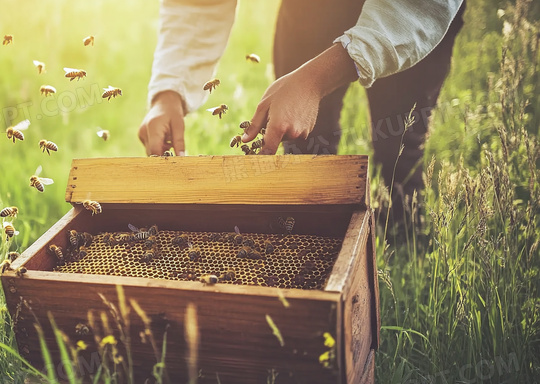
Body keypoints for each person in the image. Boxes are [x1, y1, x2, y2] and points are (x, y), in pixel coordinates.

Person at [138, 0, 466, 225]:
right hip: (309, 11)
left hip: (409, 13)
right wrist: (170, 90)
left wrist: (315, 79)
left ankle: (404, 245)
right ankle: (314, 239)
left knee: (399, 147)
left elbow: (420, 8)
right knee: (305, 150)